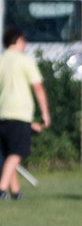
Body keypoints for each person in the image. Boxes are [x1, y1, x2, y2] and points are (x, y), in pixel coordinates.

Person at [0, 27, 50, 201]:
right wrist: (45, 112)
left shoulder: (1, 60)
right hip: (20, 112)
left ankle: (15, 192)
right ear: (18, 40)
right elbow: (37, 86)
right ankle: (2, 188)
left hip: (3, 112)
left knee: (8, 154)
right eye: (24, 41)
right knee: (17, 153)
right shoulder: (24, 61)